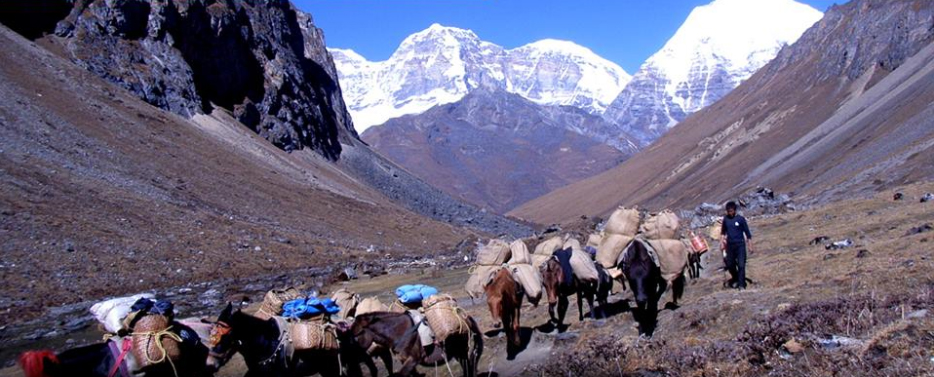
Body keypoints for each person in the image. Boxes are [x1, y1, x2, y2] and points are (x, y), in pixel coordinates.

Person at [720, 201, 753, 289]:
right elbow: (723, 233)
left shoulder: (740, 219)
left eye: (731, 211)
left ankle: (741, 285)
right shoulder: (726, 220)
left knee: (741, 265)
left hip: (740, 245)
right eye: (728, 211)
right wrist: (722, 243)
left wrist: (750, 246)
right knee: (730, 264)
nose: (730, 212)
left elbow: (748, 233)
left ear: (735, 210)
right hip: (730, 246)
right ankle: (736, 278)